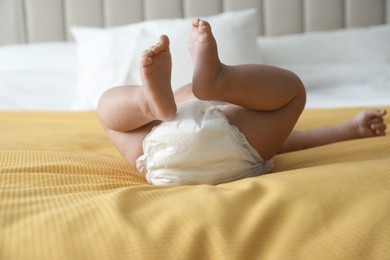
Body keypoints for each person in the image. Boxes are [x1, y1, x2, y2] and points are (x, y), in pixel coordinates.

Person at [97, 18, 387, 185]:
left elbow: (121, 125)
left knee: (108, 115)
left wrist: (150, 113)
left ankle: (144, 102)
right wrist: (352, 129)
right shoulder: (238, 115)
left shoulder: (170, 109)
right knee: (293, 91)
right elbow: (300, 140)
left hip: (160, 161)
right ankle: (221, 78)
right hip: (238, 150)